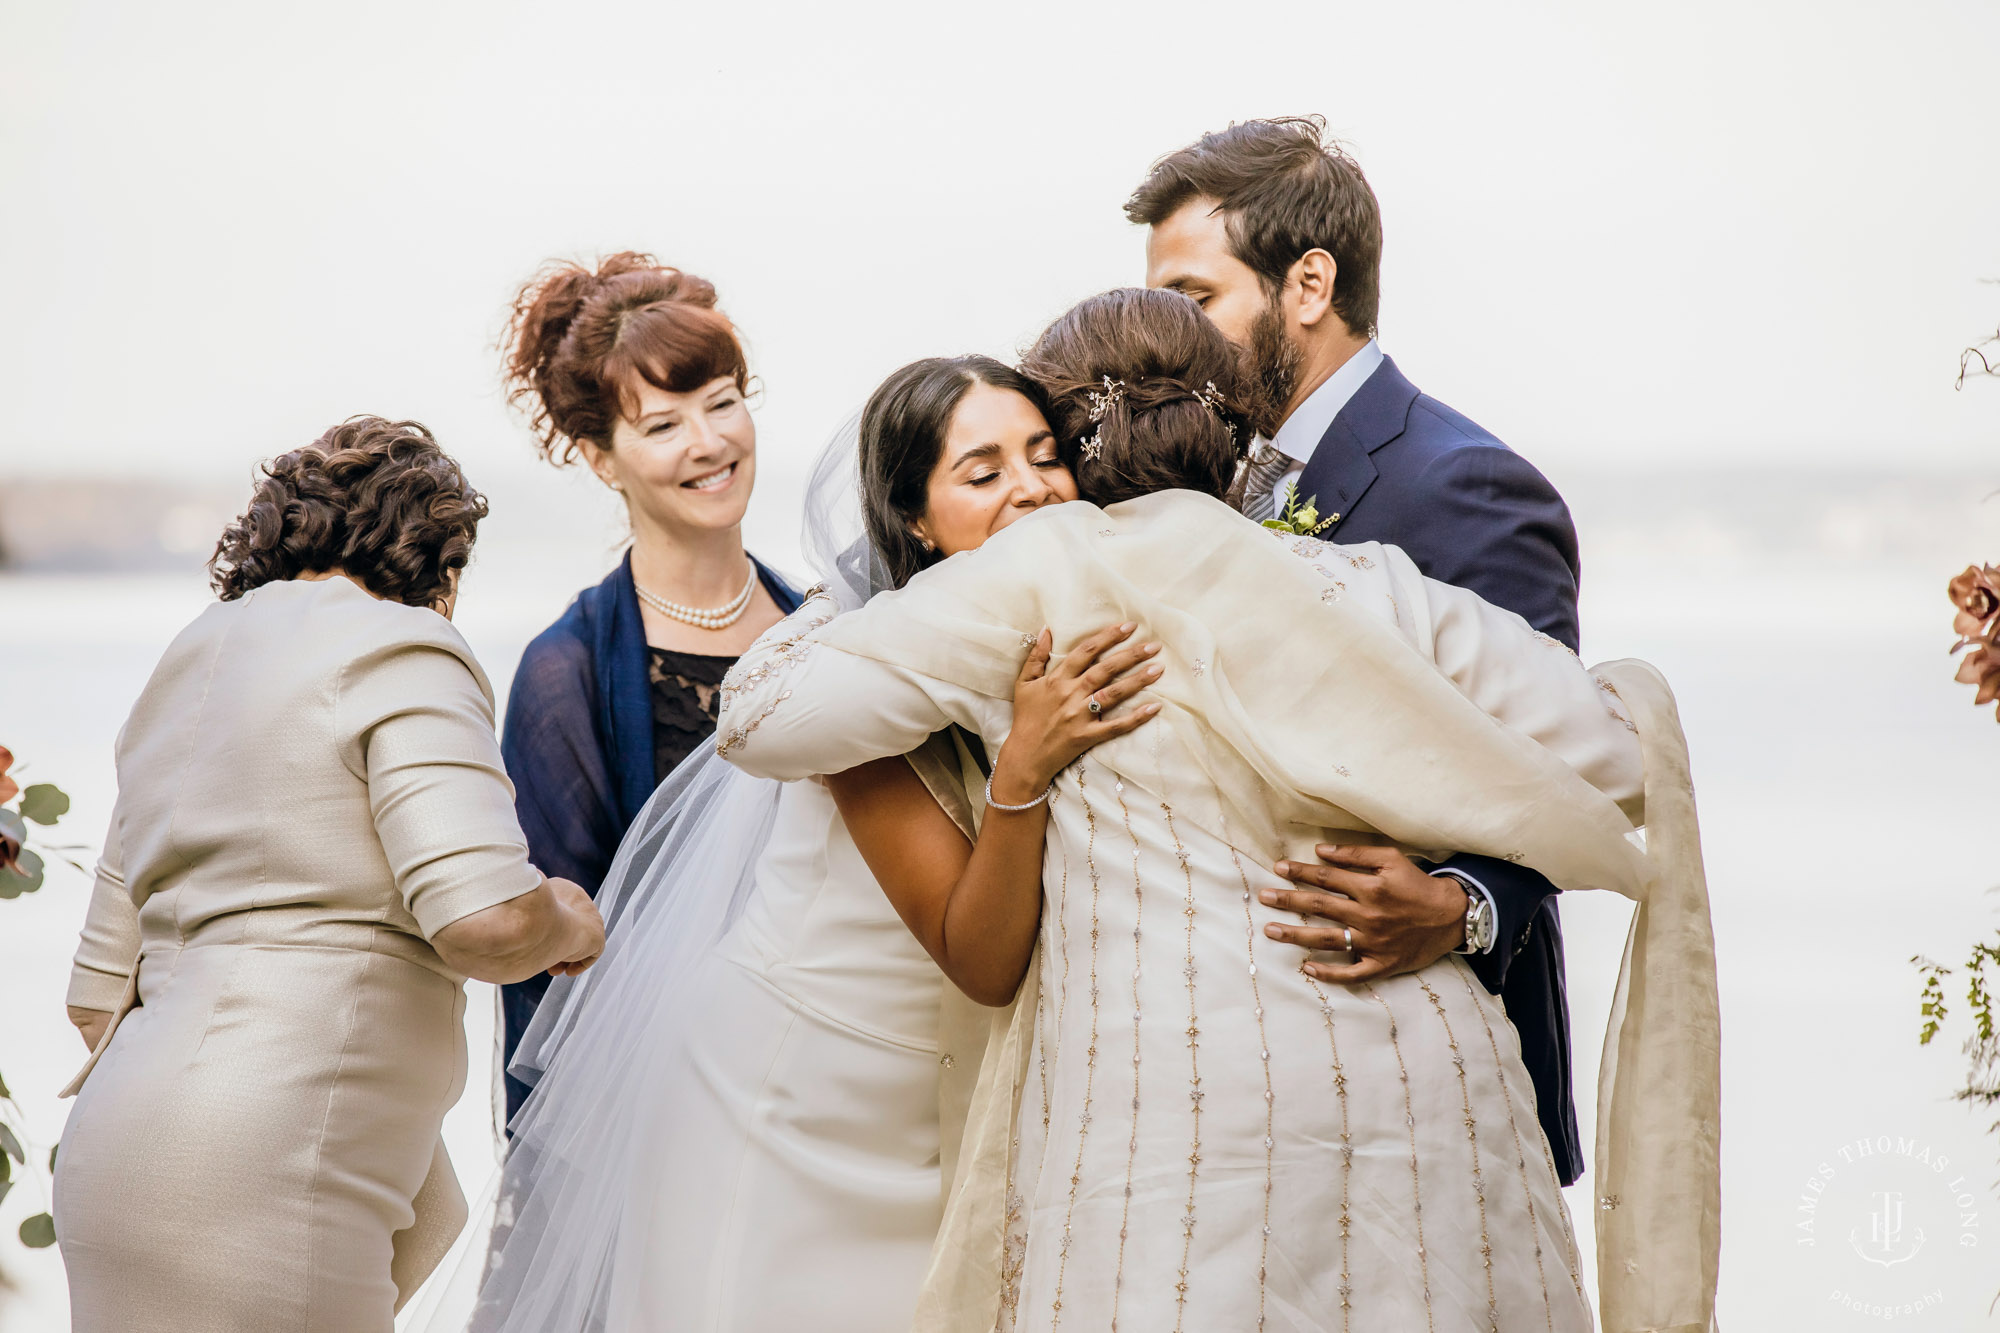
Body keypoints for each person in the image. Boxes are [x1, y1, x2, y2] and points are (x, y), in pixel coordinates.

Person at [716, 289, 1721, 1331]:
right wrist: (1458, 863)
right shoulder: (1371, 584)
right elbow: (1615, 751)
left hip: (1180, 1111)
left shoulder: (1034, 574)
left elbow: (758, 717)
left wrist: (872, 579)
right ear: (1242, 434)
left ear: (1076, 437)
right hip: (1426, 1086)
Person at [420, 357, 1159, 1332]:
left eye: (1042, 455)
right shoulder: (851, 677)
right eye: (981, 472)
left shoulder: (1031, 630)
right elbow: (979, 956)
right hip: (780, 1109)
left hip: (917, 1110)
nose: (1028, 487)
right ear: (914, 520)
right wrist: (1022, 768)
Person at [53, 418, 605, 1332]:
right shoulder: (401, 647)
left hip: (114, 1164)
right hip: (266, 1170)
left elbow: (93, 999)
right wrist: (570, 920)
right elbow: (488, 923)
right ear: (441, 560)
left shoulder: (188, 664)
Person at [1132, 117, 1593, 1182]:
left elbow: (1558, 760)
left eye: (1192, 298)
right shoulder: (1209, 481)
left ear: (1306, 283)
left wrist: (1459, 901)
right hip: (1255, 1083)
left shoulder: (1463, 482)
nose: (1169, 332)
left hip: (1434, 1080)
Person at [495, 253, 803, 1118]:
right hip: (670, 1108)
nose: (709, 443)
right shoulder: (569, 674)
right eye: (663, 425)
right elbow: (556, 963)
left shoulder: (825, 626)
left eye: (722, 404)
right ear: (602, 459)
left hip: (838, 1082)